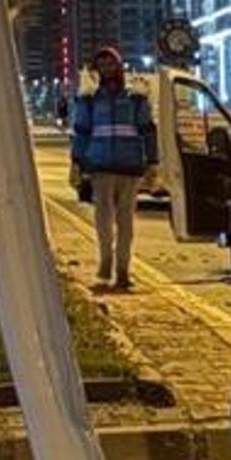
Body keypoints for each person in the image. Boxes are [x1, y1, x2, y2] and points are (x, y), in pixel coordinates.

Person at [71, 47, 158, 290]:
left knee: (125, 223)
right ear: (97, 70)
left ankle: (122, 271)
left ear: (119, 66)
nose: (107, 69)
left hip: (129, 167)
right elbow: (81, 132)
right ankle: (106, 263)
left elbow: (148, 130)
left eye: (111, 64)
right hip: (100, 167)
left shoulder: (135, 97)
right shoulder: (89, 99)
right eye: (102, 66)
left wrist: (152, 162)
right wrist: (77, 163)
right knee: (103, 221)